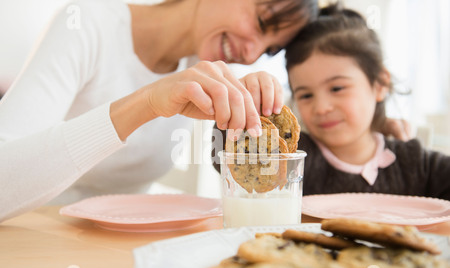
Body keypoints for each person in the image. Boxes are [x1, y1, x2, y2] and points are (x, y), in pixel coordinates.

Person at [0, 0, 319, 222]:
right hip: (35, 239)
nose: (252, 53)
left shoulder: (204, 72)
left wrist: (248, 119)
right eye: (262, 22)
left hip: (121, 246)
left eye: (269, 48)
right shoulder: (85, 24)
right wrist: (145, 104)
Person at [285, 4, 450, 199]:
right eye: (305, 95)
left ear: (380, 84)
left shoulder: (414, 163)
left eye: (337, 88)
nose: (321, 108)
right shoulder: (292, 159)